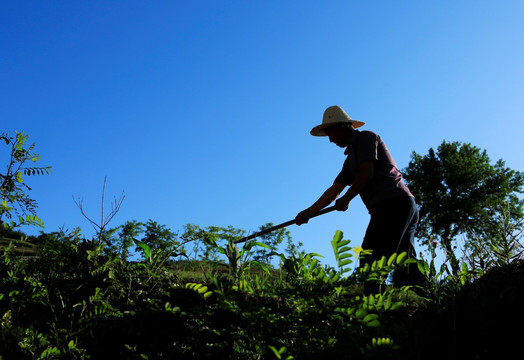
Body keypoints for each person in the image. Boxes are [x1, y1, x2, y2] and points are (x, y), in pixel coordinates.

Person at [295, 105, 420, 291]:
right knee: (406, 261)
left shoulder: (366, 138)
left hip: (393, 205)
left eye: (331, 133)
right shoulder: (350, 160)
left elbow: (366, 174)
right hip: (399, 206)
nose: (330, 140)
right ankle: (433, 301)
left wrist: (347, 198)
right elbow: (333, 191)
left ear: (342, 127)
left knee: (371, 261)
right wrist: (308, 213)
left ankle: (372, 307)